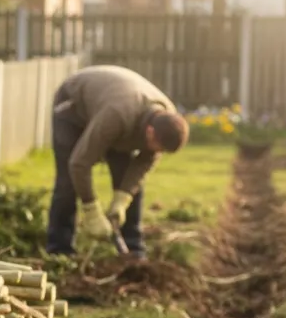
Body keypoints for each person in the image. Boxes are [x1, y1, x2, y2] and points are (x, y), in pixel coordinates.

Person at [47, 65, 189, 258]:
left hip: (118, 115)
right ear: (150, 131)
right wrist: (91, 209)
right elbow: (79, 163)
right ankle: (60, 249)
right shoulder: (117, 115)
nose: (158, 153)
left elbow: (143, 164)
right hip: (73, 107)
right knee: (67, 182)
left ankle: (133, 248)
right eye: (159, 147)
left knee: (129, 183)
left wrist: (122, 199)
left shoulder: (167, 118)